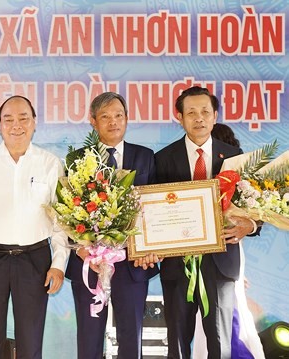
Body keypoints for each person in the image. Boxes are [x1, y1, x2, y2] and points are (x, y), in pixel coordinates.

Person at [0, 95, 70, 359]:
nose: (16, 125)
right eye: (8, 119)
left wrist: (59, 263)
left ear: (34, 123)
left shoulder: (50, 164)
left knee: (30, 341)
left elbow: (60, 222)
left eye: (23, 118)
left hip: (35, 259)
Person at [155, 86, 260, 358]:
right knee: (177, 343)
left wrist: (250, 226)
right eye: (191, 112)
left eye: (204, 112)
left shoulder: (236, 156)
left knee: (220, 344)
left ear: (214, 116)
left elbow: (257, 206)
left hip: (221, 261)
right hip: (177, 264)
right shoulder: (163, 159)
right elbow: (151, 214)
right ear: (179, 117)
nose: (198, 118)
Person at [65, 92, 159, 358]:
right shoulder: (77, 160)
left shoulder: (146, 157)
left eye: (119, 115)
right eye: (105, 117)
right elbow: (67, 211)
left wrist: (152, 248)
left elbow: (155, 210)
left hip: (132, 264)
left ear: (127, 119)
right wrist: (82, 249)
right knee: (89, 338)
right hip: (90, 265)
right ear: (93, 122)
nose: (113, 122)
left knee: (131, 339)